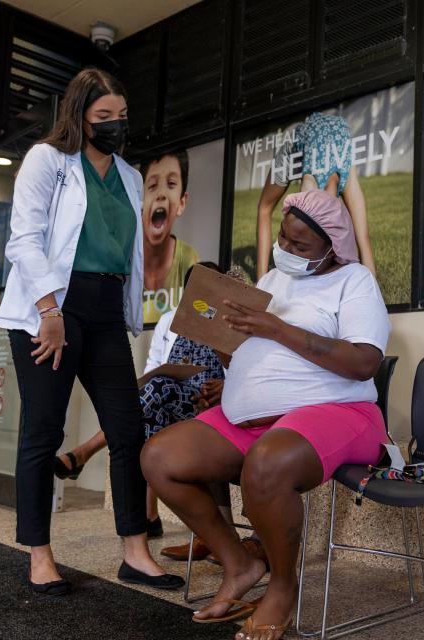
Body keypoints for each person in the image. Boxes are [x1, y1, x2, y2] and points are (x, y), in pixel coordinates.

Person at [141, 189, 391, 640]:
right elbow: (251, 360)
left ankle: (282, 585)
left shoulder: (355, 281)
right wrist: (223, 343)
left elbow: (363, 363)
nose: (286, 250)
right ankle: (239, 563)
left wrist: (276, 328)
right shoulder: (273, 280)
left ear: (331, 247)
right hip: (251, 418)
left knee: (268, 461)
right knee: (160, 457)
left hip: (338, 411)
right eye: (284, 238)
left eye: (300, 246)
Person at [0, 67, 183, 596]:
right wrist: (49, 312)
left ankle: (134, 552)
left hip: (103, 314)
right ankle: (38, 555)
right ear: (78, 116)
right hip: (52, 307)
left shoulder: (127, 176)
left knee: (128, 432)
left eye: (121, 117)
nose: (116, 126)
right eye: (104, 118)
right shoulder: (47, 161)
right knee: (44, 432)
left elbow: (127, 253)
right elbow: (24, 241)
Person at [54, 263, 238, 549]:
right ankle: (150, 516)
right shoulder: (170, 319)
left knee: (149, 403)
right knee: (154, 394)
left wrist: (223, 390)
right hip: (174, 397)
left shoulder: (229, 326)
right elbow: (155, 367)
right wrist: (158, 375)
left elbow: (240, 374)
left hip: (212, 404)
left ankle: (86, 453)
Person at [256, 113, 376, 280]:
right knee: (265, 207)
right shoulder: (309, 186)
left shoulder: (348, 174)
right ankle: (261, 281)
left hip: (334, 137)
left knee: (361, 235)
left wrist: (369, 289)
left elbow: (363, 239)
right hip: (296, 145)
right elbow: (297, 234)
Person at [142, 149, 200, 324]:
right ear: (140, 201)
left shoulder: (189, 260)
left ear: (182, 203)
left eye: (171, 183)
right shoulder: (125, 261)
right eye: (152, 186)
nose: (161, 194)